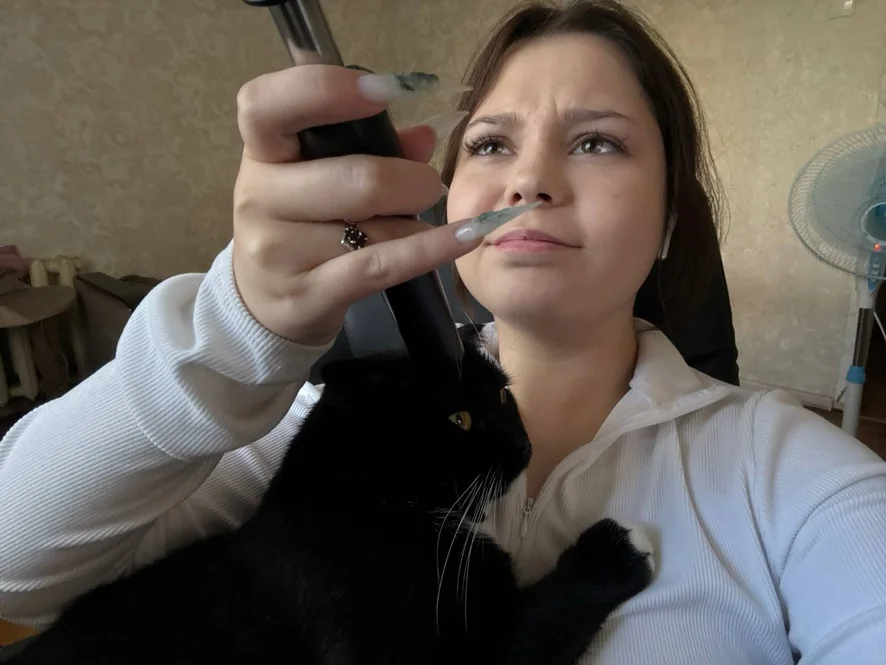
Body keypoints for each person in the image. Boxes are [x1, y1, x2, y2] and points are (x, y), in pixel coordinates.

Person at [1, 0, 884, 662]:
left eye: (597, 143)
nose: (529, 180)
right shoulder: (327, 430)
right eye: (492, 144)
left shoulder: (783, 467)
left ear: (669, 225)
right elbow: (13, 568)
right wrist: (233, 330)